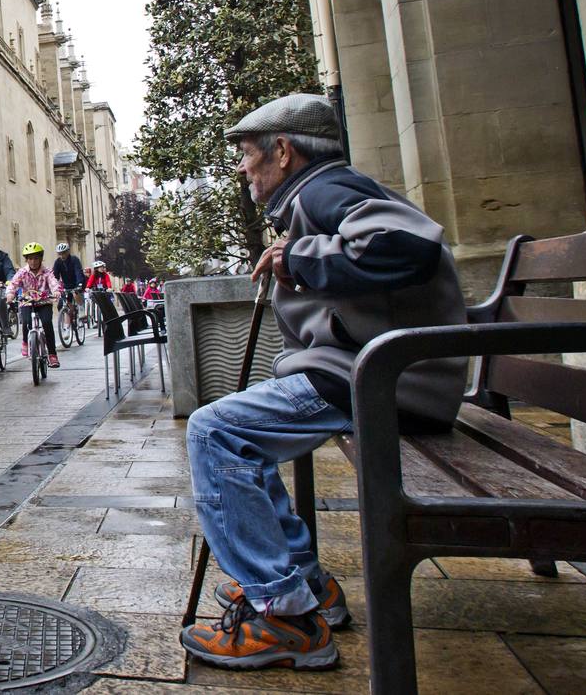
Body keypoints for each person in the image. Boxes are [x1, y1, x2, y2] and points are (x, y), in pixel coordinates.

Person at [179, 93, 466, 672]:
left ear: (282, 152)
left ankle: (285, 616)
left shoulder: (326, 190)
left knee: (215, 431)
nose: (241, 167)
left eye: (246, 154)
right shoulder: (318, 194)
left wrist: (298, 258)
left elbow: (409, 245)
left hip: (382, 379)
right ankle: (303, 582)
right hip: (370, 372)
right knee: (240, 436)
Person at [6, 242, 62, 367]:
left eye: (36, 258)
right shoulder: (22, 272)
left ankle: (52, 355)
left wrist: (56, 291)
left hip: (44, 302)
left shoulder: (47, 272)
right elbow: (13, 284)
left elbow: (53, 282)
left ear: (41, 258)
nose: (33, 261)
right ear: (26, 260)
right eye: (30, 258)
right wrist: (10, 294)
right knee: (26, 322)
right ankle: (26, 342)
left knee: (47, 323)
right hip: (27, 302)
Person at [51, 243, 85, 327]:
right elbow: (55, 276)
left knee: (75, 293)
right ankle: (67, 326)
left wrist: (79, 284)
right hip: (66, 285)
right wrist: (54, 286)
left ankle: (81, 309)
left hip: (77, 283)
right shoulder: (58, 262)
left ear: (68, 252)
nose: (62, 255)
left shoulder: (74, 259)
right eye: (60, 253)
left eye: (64, 253)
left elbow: (78, 272)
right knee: (66, 305)